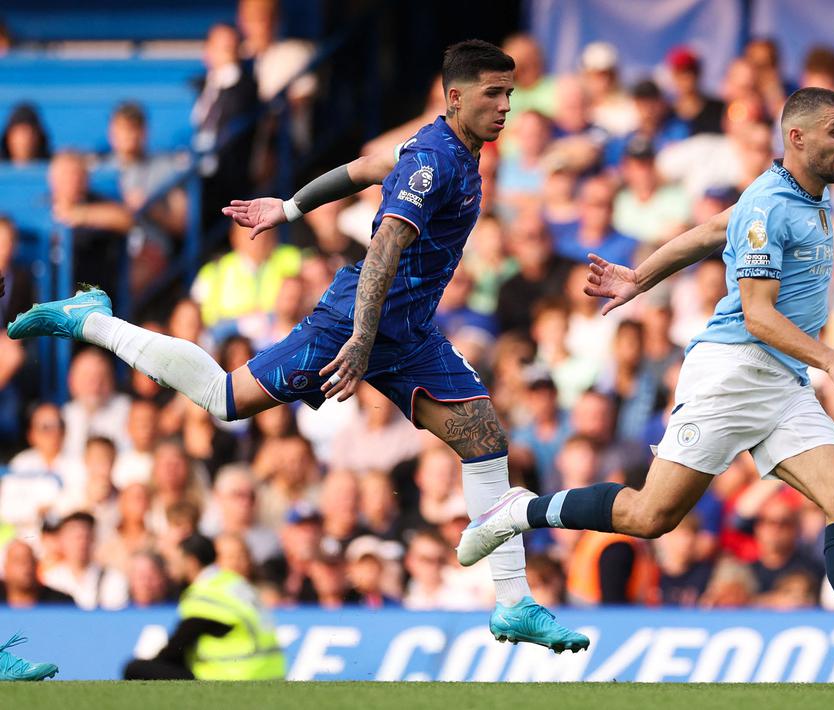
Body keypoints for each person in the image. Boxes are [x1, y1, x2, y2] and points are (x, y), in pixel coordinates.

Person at [7, 40, 585, 652]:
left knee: (484, 437)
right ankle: (93, 321)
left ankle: (513, 603)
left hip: (407, 331)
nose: (506, 106)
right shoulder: (435, 162)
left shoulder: (448, 150)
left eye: (509, 94)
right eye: (494, 94)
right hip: (353, 323)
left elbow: (364, 168)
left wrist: (289, 206)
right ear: (456, 97)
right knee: (225, 399)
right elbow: (383, 249)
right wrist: (359, 339)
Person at [459, 87, 834, 680]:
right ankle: (519, 509)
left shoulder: (800, 196)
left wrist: (640, 277)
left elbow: (714, 228)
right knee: (649, 516)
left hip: (780, 378)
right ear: (797, 137)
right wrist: (833, 361)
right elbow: (758, 316)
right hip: (733, 371)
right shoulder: (770, 204)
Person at [123, 534, 284, 680]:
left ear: (191, 562)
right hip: (270, 674)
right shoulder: (233, 582)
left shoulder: (206, 594)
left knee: (135, 668)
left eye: (176, 561)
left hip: (237, 678)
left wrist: (153, 666)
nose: (172, 568)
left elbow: (176, 648)